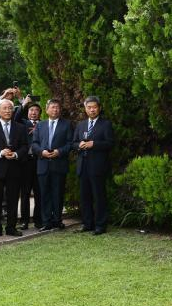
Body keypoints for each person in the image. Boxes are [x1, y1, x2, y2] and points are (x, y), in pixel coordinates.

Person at [0, 99, 28, 238]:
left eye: (10, 108)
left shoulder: (20, 127)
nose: (8, 111)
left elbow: (25, 146)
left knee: (13, 200)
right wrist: (1, 153)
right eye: (5, 108)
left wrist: (15, 154)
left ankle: (11, 228)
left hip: (14, 169)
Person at [72, 96, 115, 235]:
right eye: (89, 107)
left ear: (99, 108)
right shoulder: (81, 125)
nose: (92, 110)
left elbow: (110, 143)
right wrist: (79, 145)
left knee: (99, 196)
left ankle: (100, 226)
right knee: (85, 197)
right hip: (82, 165)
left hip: (98, 166)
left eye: (94, 107)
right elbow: (73, 143)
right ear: (85, 109)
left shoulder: (106, 124)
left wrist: (94, 144)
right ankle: (87, 224)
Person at [31, 99, 73, 231]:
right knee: (44, 194)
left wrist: (59, 152)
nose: (55, 110)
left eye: (57, 107)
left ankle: (57, 220)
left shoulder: (67, 125)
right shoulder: (40, 125)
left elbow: (70, 144)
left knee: (58, 194)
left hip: (59, 164)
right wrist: (41, 152)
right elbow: (34, 144)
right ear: (47, 109)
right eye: (53, 107)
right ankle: (46, 221)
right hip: (43, 164)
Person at [19, 102, 42, 229]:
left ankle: (38, 219)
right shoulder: (23, 123)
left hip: (40, 161)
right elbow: (15, 117)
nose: (33, 112)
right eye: (31, 110)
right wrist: (23, 104)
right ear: (27, 112)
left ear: (40, 113)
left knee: (39, 192)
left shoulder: (44, 124)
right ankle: (24, 220)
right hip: (25, 162)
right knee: (25, 193)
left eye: (36, 110)